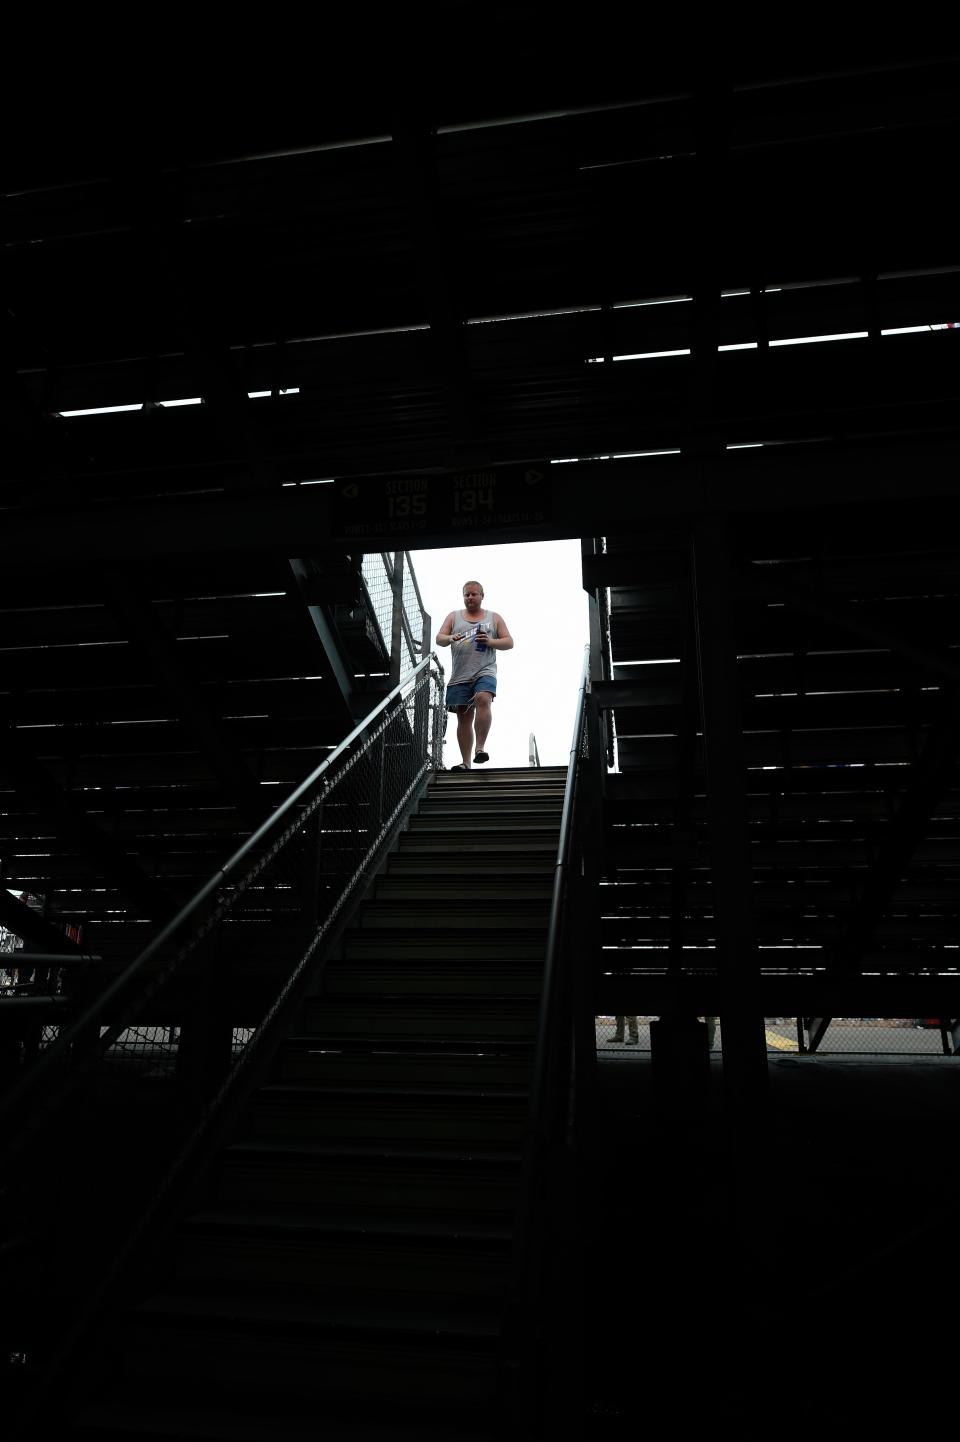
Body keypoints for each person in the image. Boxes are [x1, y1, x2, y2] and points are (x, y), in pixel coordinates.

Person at [436, 580, 513, 770]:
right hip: (460, 675)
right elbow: (439, 639)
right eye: (466, 595)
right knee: (463, 717)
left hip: (485, 670)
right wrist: (450, 638)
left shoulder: (493, 617)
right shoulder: (453, 617)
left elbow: (509, 642)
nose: (470, 597)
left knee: (483, 698)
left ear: (482, 595)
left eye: (473, 594)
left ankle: (480, 748)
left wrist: (490, 641)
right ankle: (466, 762)